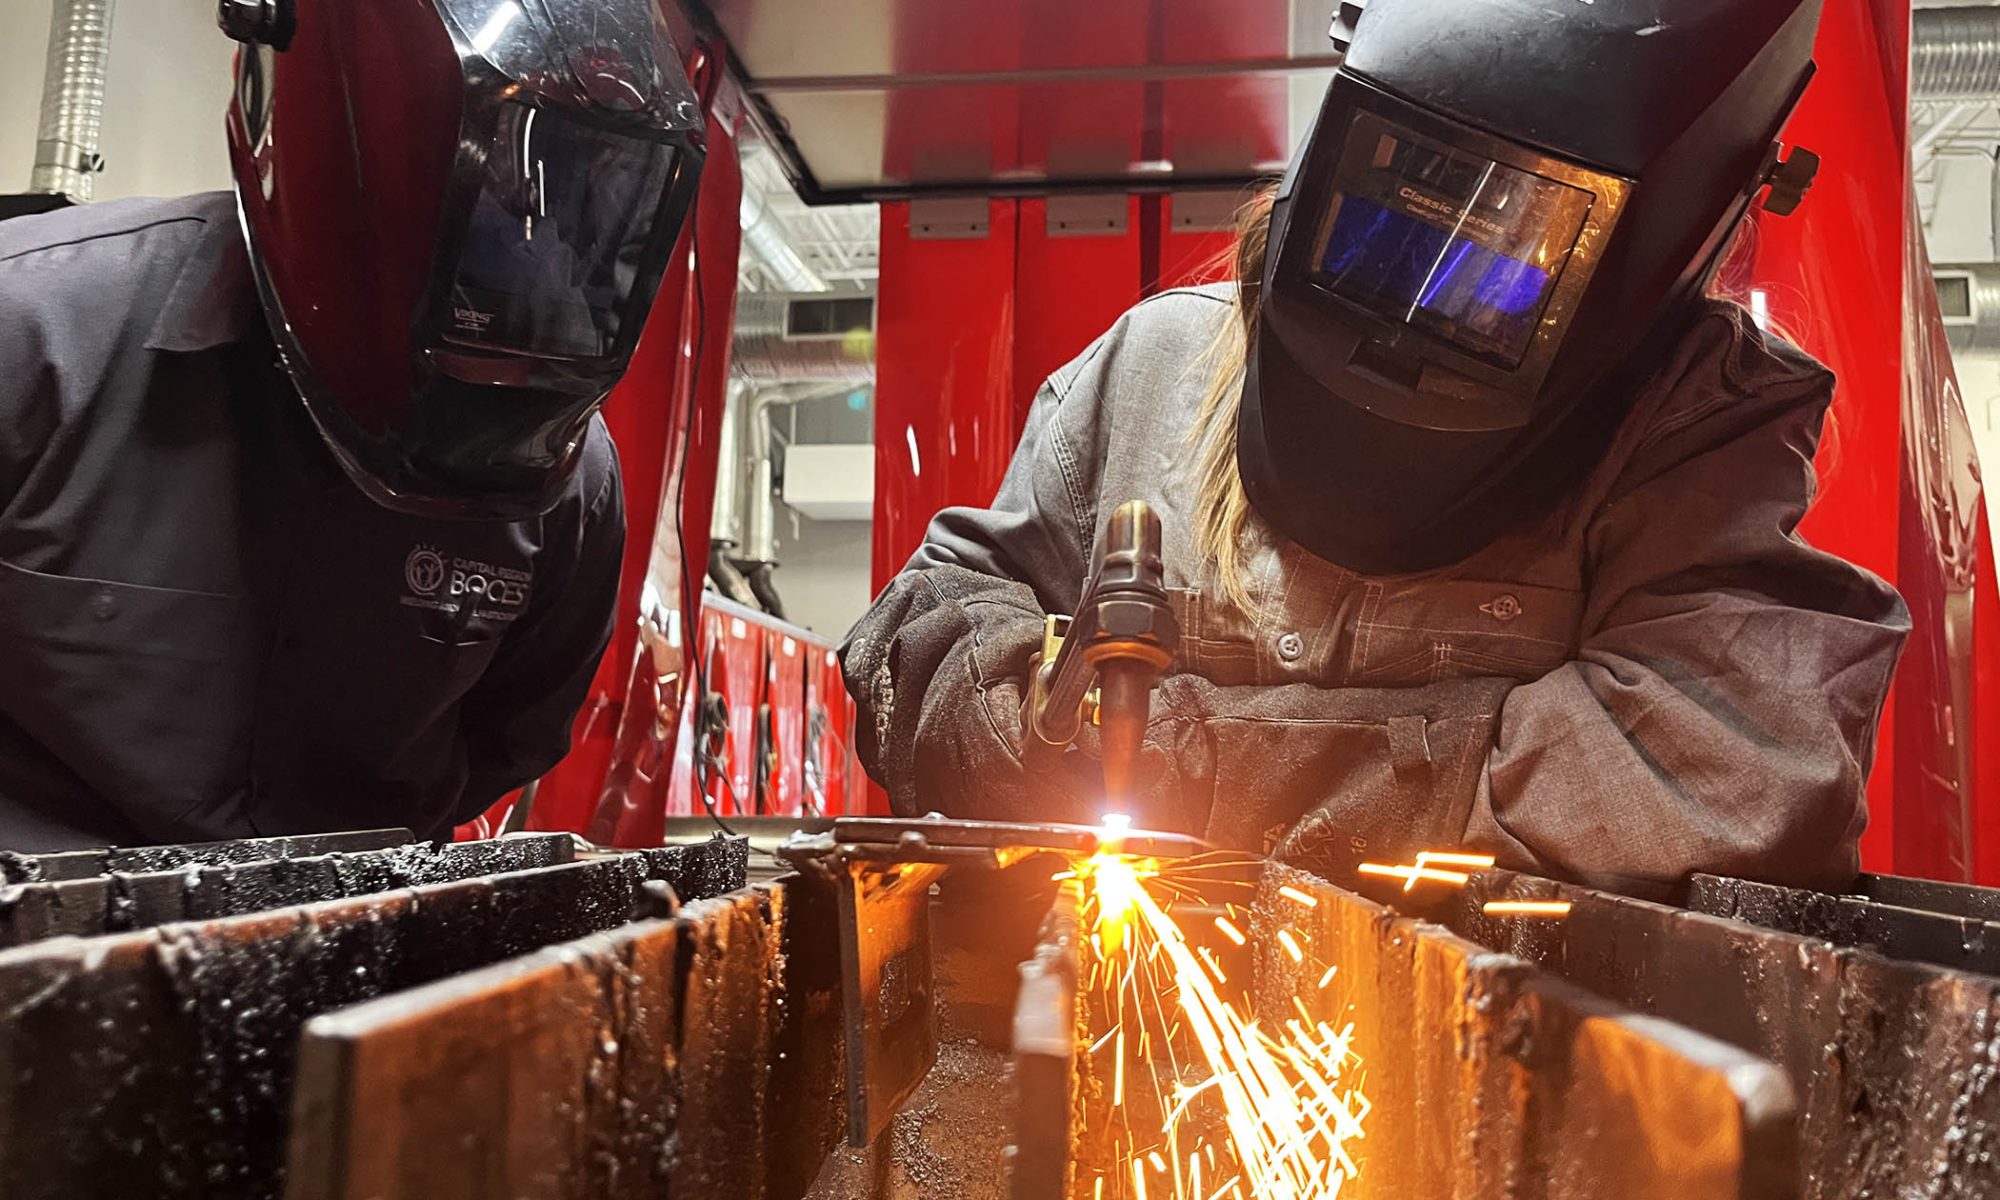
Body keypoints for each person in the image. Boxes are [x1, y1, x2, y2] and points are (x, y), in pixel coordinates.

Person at [842, 0, 1910, 894]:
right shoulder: (1155, 369)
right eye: (1401, 204)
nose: (1431, 280)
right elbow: (921, 621)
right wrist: (1016, 721)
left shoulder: (1680, 433)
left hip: (1471, 1091)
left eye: (1513, 256)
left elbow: (1733, 783)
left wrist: (1199, 763)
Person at [0, 0, 706, 850]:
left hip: (358, 965)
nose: (539, 252)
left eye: (577, 221)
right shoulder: (35, 336)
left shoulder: (570, 482)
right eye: (508, 200)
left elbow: (513, 732)